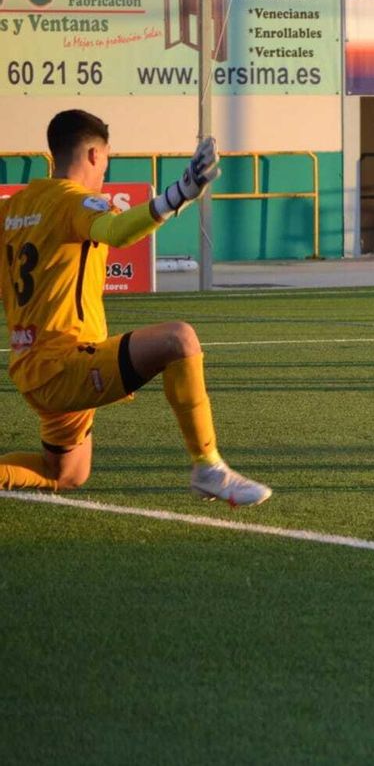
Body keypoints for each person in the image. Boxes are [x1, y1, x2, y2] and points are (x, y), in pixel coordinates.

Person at [0, 110, 272, 504]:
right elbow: (115, 231)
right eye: (106, 159)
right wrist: (179, 195)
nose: (104, 170)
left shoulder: (14, 208)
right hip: (63, 364)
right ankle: (207, 467)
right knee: (179, 340)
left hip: (30, 368)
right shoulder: (75, 201)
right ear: (94, 155)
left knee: (66, 473)